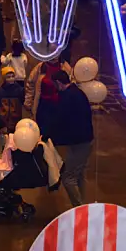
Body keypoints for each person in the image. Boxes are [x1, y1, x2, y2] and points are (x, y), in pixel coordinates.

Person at [50, 71, 94, 207]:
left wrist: (50, 135)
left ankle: (78, 207)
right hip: (85, 140)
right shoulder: (78, 93)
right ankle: (82, 205)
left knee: (68, 177)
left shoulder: (68, 97)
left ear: (58, 83)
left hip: (79, 142)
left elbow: (61, 119)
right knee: (79, 174)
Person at [24, 57, 71, 141]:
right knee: (42, 131)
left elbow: (69, 84)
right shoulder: (40, 67)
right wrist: (29, 101)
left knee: (56, 131)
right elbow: (30, 84)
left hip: (58, 104)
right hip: (43, 104)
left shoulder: (65, 67)